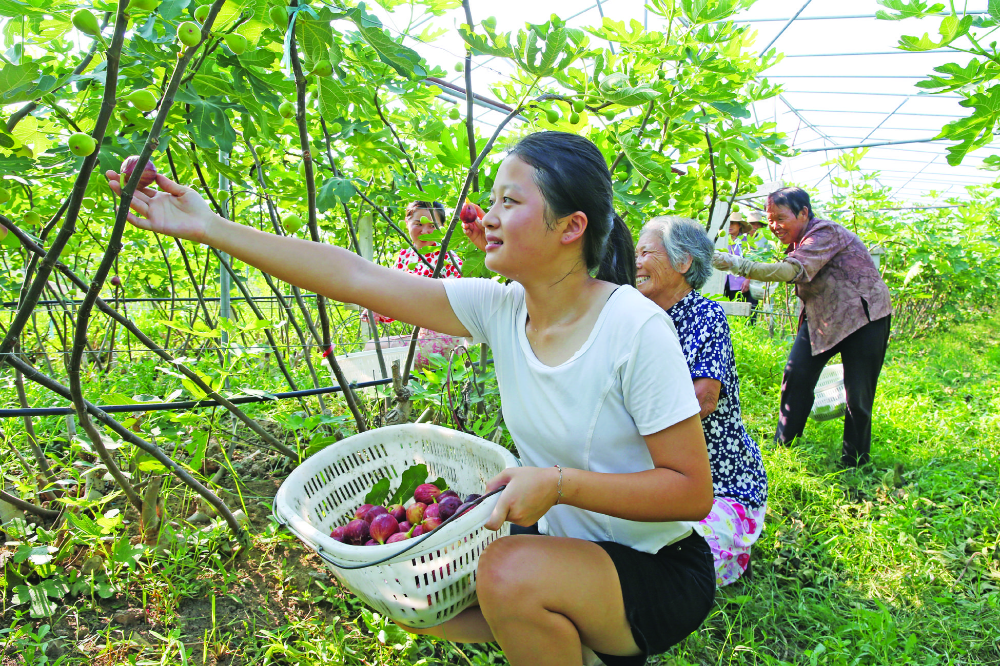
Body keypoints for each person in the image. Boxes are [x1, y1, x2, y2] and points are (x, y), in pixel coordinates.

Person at [107, 131, 716, 666]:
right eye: (493, 200)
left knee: (506, 573)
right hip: (564, 550)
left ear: (571, 227)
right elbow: (355, 277)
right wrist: (209, 226)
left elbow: (691, 492)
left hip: (655, 565)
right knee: (417, 601)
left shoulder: (632, 326)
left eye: (510, 202)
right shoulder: (503, 309)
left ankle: (586, 636)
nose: (489, 217)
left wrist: (557, 484)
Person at [712, 187, 892, 467]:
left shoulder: (825, 233)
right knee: (796, 375)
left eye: (780, 218)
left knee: (858, 394)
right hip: (823, 317)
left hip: (864, 317)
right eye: (770, 219)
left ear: (804, 213)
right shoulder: (800, 241)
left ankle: (855, 461)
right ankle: (784, 446)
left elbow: (790, 271)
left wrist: (737, 264)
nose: (774, 226)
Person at [635, 216, 768, 586]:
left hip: (719, 486)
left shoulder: (704, 315)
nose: (637, 263)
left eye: (646, 253)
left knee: (677, 571)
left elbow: (704, 398)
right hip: (661, 478)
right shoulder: (639, 318)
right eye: (635, 254)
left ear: (683, 262)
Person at [361, 200, 466, 368]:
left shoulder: (448, 258)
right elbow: (393, 294)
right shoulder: (406, 256)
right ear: (407, 222)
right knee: (372, 346)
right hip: (421, 336)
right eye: (418, 224)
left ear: (442, 228)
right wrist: (377, 310)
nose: (424, 231)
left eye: (432, 226)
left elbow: (463, 300)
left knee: (376, 351)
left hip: (446, 338)